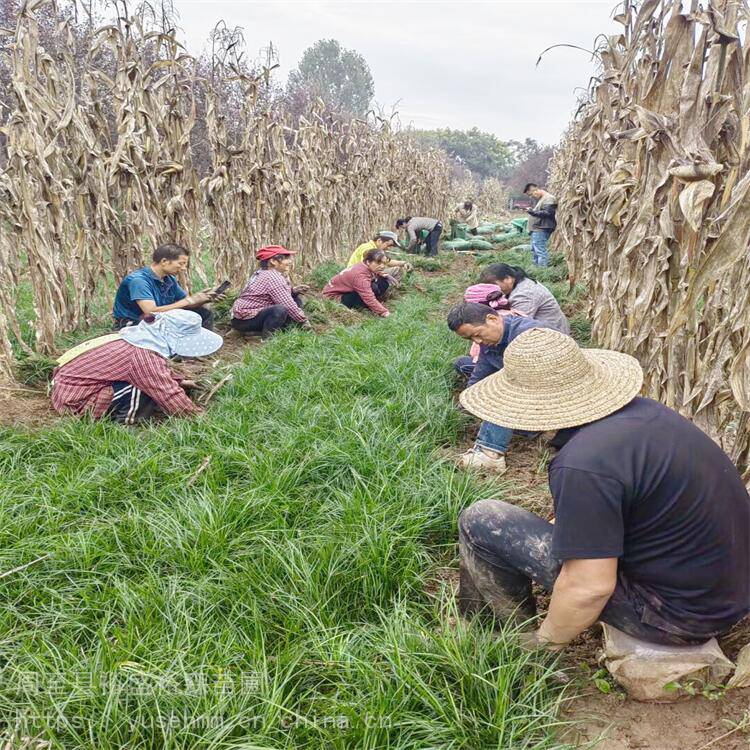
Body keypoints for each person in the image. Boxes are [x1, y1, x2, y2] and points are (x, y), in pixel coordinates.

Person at [457, 328, 750, 650]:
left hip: (675, 617)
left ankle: (497, 640)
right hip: (724, 594)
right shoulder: (647, 415)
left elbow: (590, 588)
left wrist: (545, 642)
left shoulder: (585, 463)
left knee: (483, 520)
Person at [51, 310, 223, 424]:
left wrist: (180, 380)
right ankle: (128, 423)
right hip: (75, 403)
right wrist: (198, 416)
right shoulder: (141, 355)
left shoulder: (137, 338)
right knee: (141, 389)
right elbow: (167, 392)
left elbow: (158, 371)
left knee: (146, 380)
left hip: (65, 389)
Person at [447, 302, 549, 474]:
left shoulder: (529, 335)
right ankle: (524, 429)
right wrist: (465, 405)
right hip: (526, 393)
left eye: (477, 335)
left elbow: (535, 381)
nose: (477, 341)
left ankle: (489, 453)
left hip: (550, 393)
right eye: (470, 339)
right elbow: (480, 373)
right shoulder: (490, 343)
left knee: (502, 391)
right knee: (464, 365)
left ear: (492, 319)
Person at [112, 244, 219, 330]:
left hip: (159, 317)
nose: (183, 268)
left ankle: (199, 347)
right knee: (161, 322)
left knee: (203, 312)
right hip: (135, 322)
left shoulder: (169, 279)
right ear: (164, 261)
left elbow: (184, 303)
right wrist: (190, 300)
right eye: (181, 263)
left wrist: (203, 298)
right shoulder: (139, 281)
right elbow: (150, 311)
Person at [231, 245, 312, 339]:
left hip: (239, 319)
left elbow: (272, 295)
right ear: (273, 261)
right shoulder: (272, 277)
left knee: (295, 299)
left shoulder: (261, 273)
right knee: (280, 310)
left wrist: (293, 291)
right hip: (246, 320)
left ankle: (251, 332)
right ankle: (266, 338)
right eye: (286, 258)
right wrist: (304, 322)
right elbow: (288, 304)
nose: (290, 262)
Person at [479, 263, 569, 334]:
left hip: (553, 336)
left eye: (494, 285)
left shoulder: (524, 294)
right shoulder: (520, 282)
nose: (491, 290)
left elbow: (515, 326)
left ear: (508, 279)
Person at [453, 284, 511, 379]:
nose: (477, 341)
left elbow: (479, 360)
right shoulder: (510, 314)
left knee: (461, 364)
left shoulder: (487, 327)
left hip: (509, 373)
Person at [323, 248, 393, 317]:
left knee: (382, 282)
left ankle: (374, 304)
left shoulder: (363, 266)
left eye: (384, 263)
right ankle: (369, 307)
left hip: (346, 291)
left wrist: (380, 274)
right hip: (334, 297)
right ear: (368, 262)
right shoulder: (360, 276)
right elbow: (368, 297)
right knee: (366, 295)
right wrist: (384, 312)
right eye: (378, 263)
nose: (382, 266)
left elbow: (370, 275)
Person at [523, 183, 558, 268]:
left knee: (540, 250)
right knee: (535, 250)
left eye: (531, 194)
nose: (531, 197)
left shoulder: (549, 198)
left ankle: (542, 270)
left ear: (536, 190)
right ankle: (536, 269)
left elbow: (548, 213)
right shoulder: (542, 199)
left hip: (541, 228)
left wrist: (532, 212)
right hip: (537, 229)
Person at [347, 230, 412, 271]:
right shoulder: (368, 248)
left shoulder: (375, 250)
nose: (388, 248)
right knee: (395, 271)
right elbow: (365, 268)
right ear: (379, 241)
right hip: (355, 278)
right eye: (388, 245)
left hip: (359, 277)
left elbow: (388, 262)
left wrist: (403, 263)